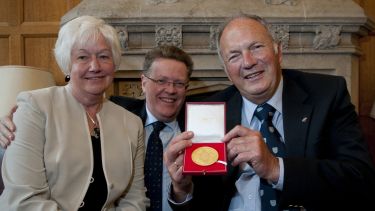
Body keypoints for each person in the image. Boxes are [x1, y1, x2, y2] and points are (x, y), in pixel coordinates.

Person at [163, 14, 375, 211]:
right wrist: (182, 190)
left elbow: (360, 178)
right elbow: (204, 203)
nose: (248, 62)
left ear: (278, 52)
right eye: (234, 56)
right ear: (227, 72)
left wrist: (275, 168)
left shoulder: (326, 95)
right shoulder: (209, 111)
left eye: (256, 47)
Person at [0, 45, 194, 211]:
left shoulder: (199, 127)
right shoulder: (121, 116)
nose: (170, 90)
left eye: (179, 83)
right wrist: (8, 122)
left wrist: (181, 191)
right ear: (143, 83)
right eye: (161, 81)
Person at [0, 15, 146, 210]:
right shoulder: (34, 107)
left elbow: (134, 200)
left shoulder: (132, 123)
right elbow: (24, 200)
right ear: (67, 63)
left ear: (114, 64)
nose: (95, 66)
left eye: (103, 56)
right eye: (83, 57)